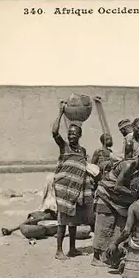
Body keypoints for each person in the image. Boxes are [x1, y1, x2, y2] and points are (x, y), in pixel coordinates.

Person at [91, 147, 139, 266]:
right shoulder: (128, 165)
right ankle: (96, 257)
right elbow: (117, 187)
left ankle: (110, 256)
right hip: (106, 193)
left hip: (117, 198)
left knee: (120, 226)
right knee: (104, 224)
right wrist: (134, 194)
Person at [52, 102, 94, 260]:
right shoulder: (64, 147)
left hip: (76, 191)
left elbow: (82, 169)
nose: (71, 136)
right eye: (69, 134)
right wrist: (60, 113)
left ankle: (72, 249)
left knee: (74, 221)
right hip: (64, 190)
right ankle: (58, 251)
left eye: (74, 134)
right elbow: (54, 132)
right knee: (62, 221)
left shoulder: (82, 151)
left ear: (79, 135)